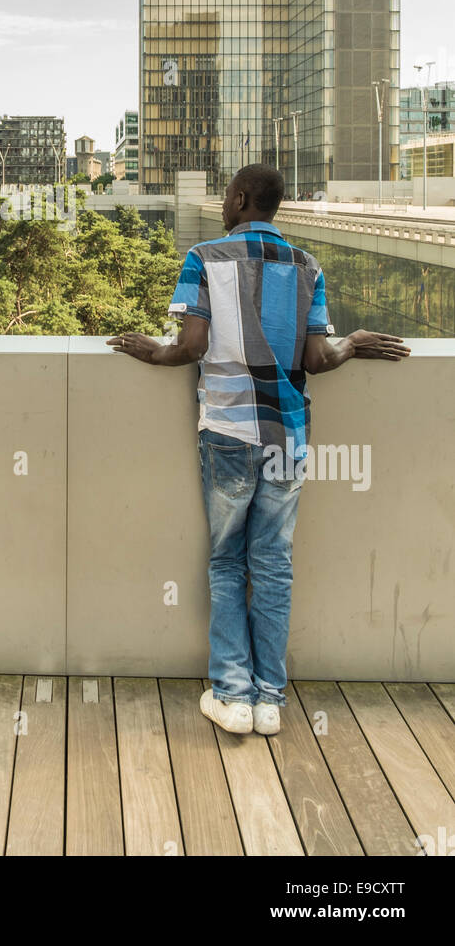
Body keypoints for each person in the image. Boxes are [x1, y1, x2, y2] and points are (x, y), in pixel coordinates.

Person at [107, 164, 409, 737]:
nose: (224, 205)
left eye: (227, 196)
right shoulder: (307, 265)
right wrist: (352, 343)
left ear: (241, 199)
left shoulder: (205, 258)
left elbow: (191, 346)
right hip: (289, 436)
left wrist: (153, 352)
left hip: (227, 433)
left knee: (227, 560)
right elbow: (319, 358)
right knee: (273, 565)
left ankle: (232, 696)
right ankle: (269, 701)